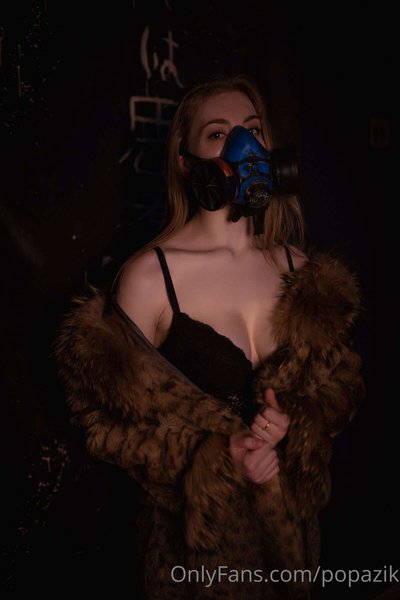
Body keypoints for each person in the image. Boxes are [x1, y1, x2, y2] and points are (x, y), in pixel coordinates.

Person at [55, 74, 364, 599]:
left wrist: (295, 422)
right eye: (218, 134)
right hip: (197, 564)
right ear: (186, 162)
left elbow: (341, 387)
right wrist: (218, 456)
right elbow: (105, 425)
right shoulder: (151, 277)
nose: (243, 146)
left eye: (253, 130)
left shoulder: (299, 269)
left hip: (293, 551)